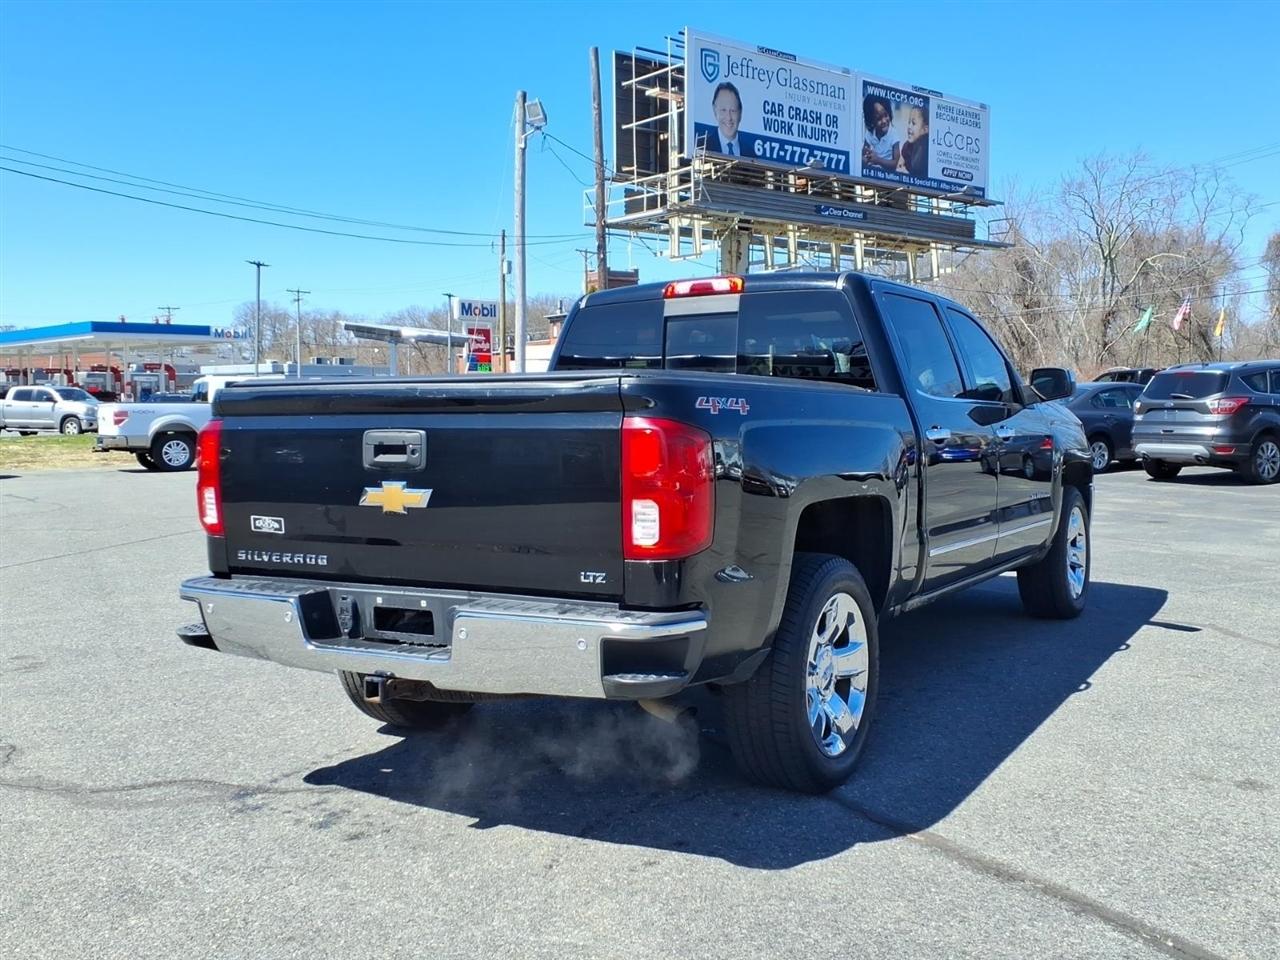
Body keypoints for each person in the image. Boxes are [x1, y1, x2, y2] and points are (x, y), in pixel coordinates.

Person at [699, 82, 756, 158]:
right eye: (723, 110)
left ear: (740, 113)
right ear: (715, 111)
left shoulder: (751, 154)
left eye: (733, 110)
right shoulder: (701, 148)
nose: (729, 117)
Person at [861, 95, 900, 172]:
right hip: (873, 172)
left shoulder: (893, 134)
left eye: (886, 115)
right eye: (879, 119)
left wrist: (878, 160)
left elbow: (895, 164)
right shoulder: (870, 133)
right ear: (871, 121)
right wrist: (866, 159)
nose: (884, 121)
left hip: (888, 175)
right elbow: (863, 155)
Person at [897, 105, 929, 178]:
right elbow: (899, 165)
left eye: (913, 123)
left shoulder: (927, 150)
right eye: (909, 122)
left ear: (925, 129)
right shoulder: (907, 146)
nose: (909, 126)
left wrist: (908, 176)